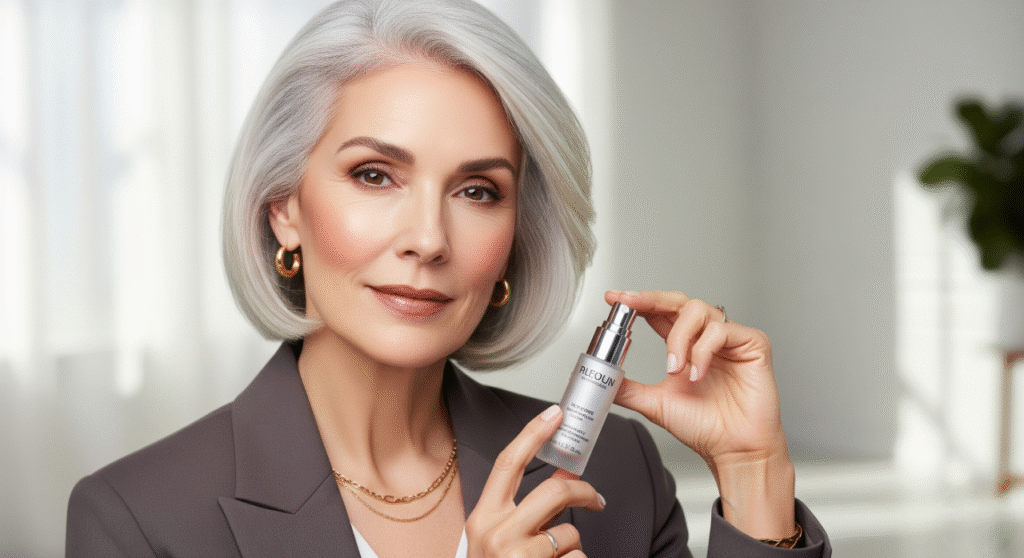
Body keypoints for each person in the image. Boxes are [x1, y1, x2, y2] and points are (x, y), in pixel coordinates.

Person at [66, 0, 832, 556]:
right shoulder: (140, 518)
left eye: (477, 191)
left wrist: (753, 471)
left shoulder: (615, 469)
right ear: (284, 211)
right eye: (374, 175)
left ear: (516, 239)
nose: (429, 239)